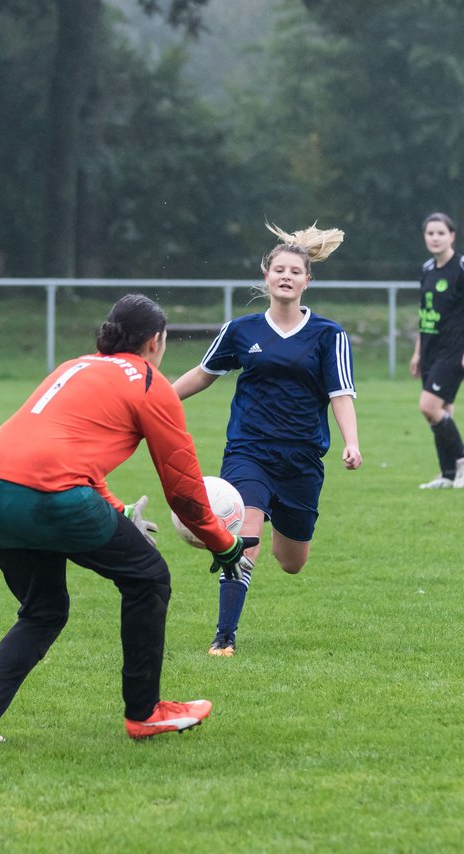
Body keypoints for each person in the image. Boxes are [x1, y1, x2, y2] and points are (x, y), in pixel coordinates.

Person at [0, 294, 256, 744]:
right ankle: (145, 712)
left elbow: (62, 445)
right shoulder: (150, 383)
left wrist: (119, 512)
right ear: (156, 341)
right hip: (54, 496)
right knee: (148, 580)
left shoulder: (73, 367)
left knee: (43, 611)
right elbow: (184, 489)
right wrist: (223, 543)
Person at [171, 223, 362, 656]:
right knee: (247, 532)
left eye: (295, 271)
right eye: (279, 269)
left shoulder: (329, 336)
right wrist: (157, 399)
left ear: (307, 281)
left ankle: (276, 516)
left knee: (292, 562)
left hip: (301, 460)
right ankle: (224, 636)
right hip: (249, 451)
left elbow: (341, 395)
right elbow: (203, 374)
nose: (286, 277)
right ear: (266, 275)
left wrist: (352, 442)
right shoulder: (241, 331)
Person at [409, 212, 464, 489]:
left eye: (441, 233)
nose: (435, 238)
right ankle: (448, 474)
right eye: (430, 233)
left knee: (428, 406)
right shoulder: (427, 269)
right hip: (430, 349)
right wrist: (418, 352)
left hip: (455, 349)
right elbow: (425, 313)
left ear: (451, 236)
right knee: (442, 412)